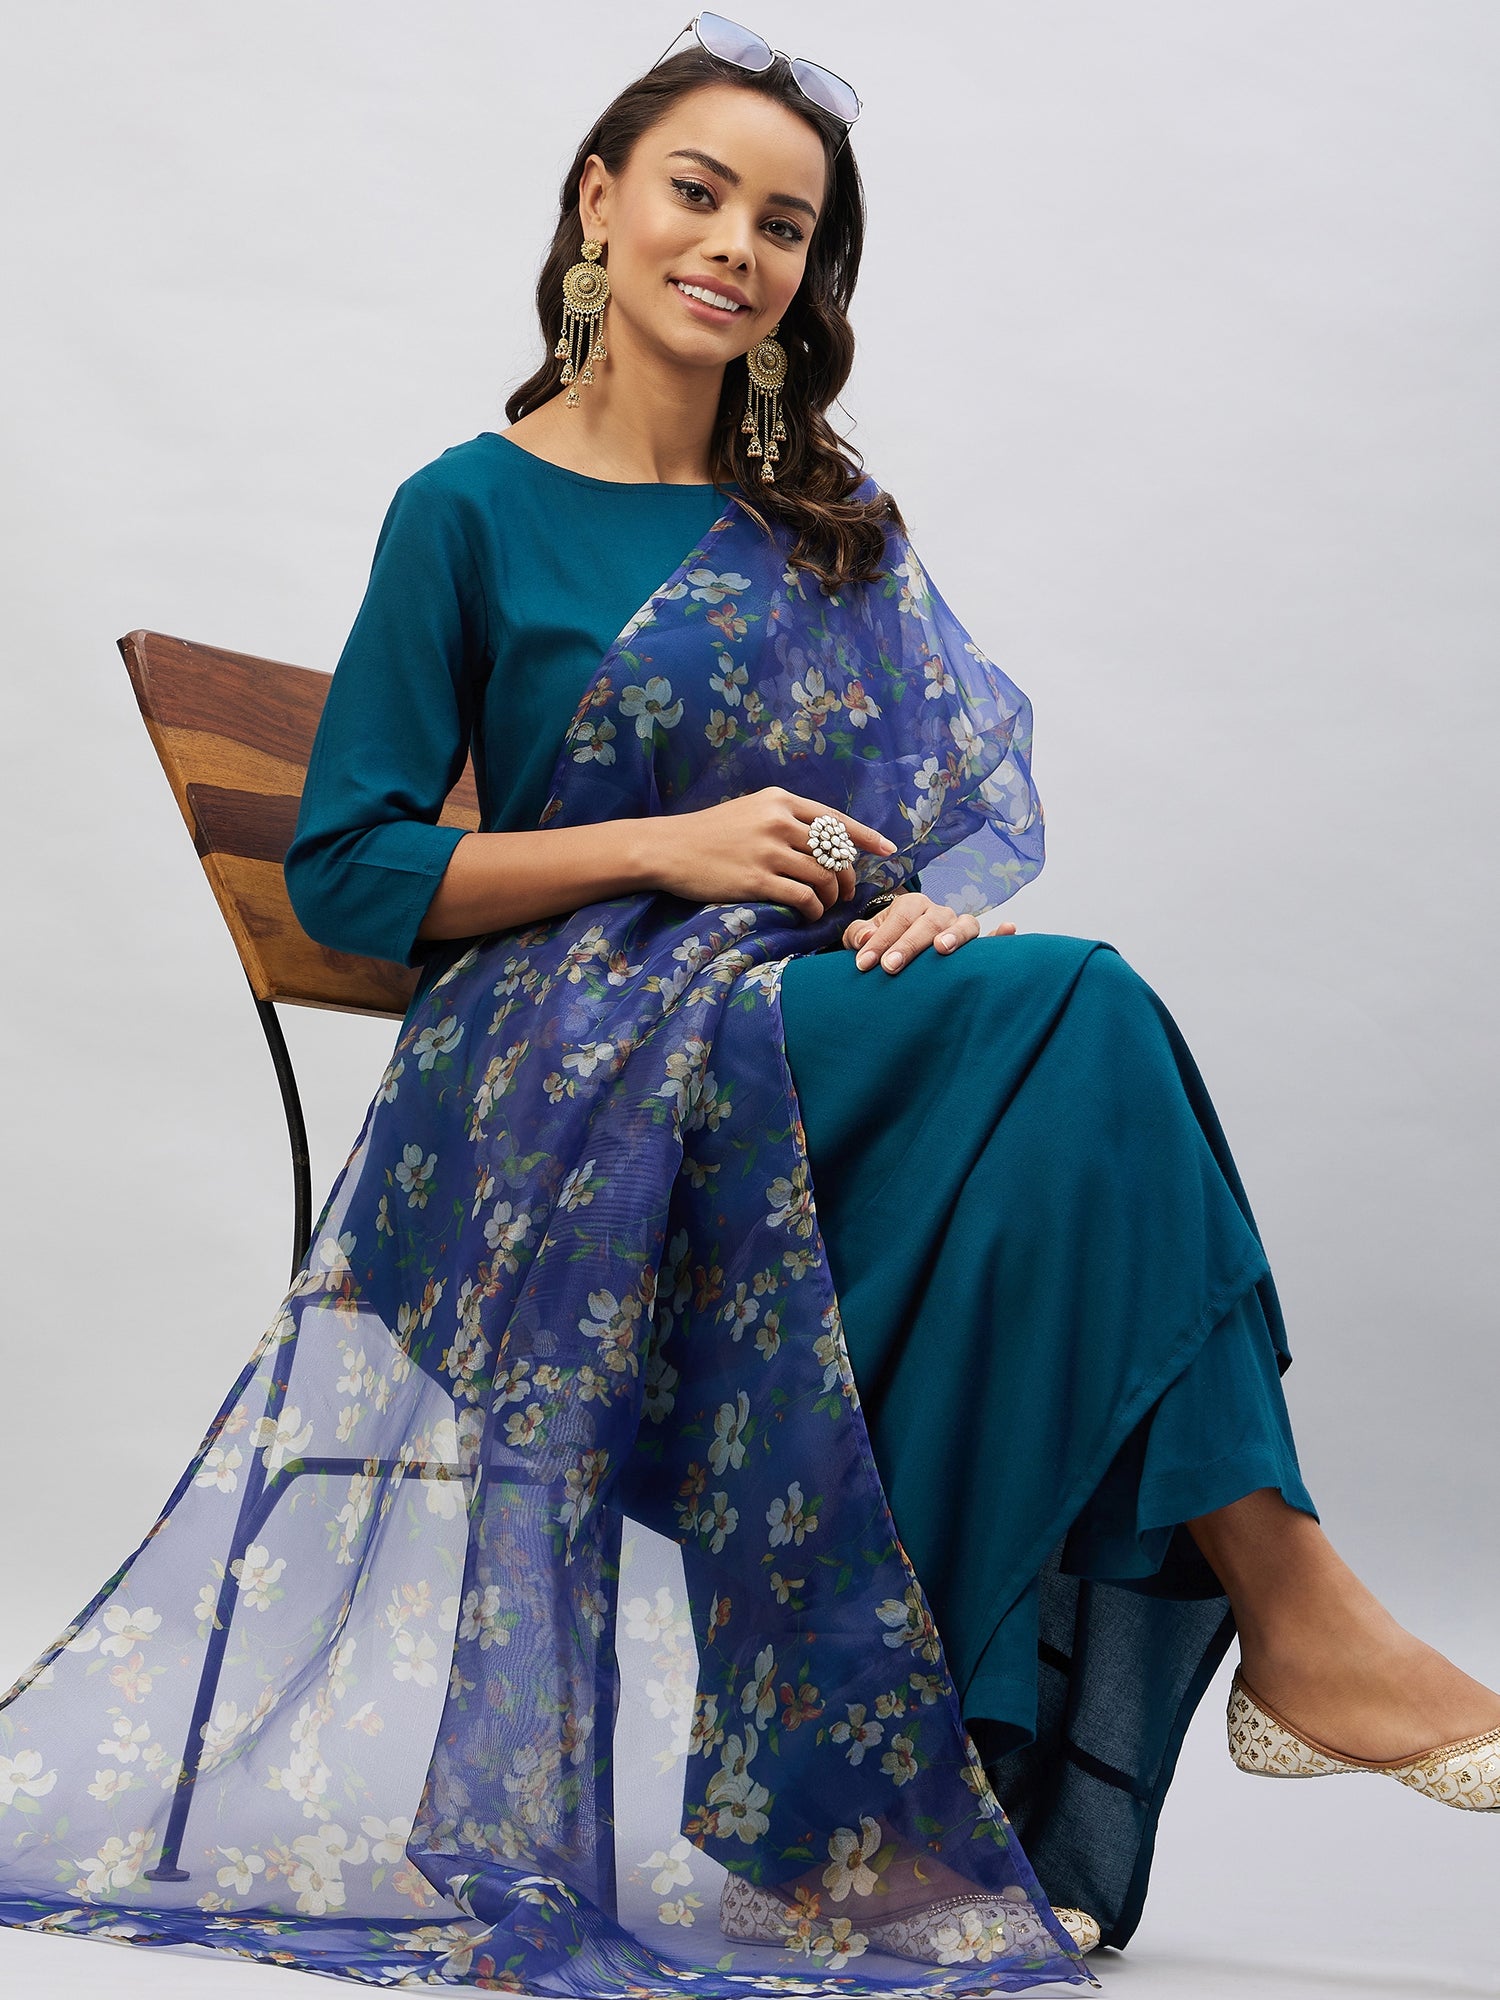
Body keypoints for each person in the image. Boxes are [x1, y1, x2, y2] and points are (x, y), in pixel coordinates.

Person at [1, 19, 1495, 1995]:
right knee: (1081, 1024)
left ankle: (875, 1814)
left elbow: (887, 831)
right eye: (698, 192)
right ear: (598, 203)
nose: (736, 245)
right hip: (541, 1097)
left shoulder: (823, 519)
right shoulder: (467, 509)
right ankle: (1276, 1628)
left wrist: (914, 907)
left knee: (1054, 1077)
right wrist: (668, 845)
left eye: (783, 223)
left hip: (783, 1042)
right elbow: (351, 870)